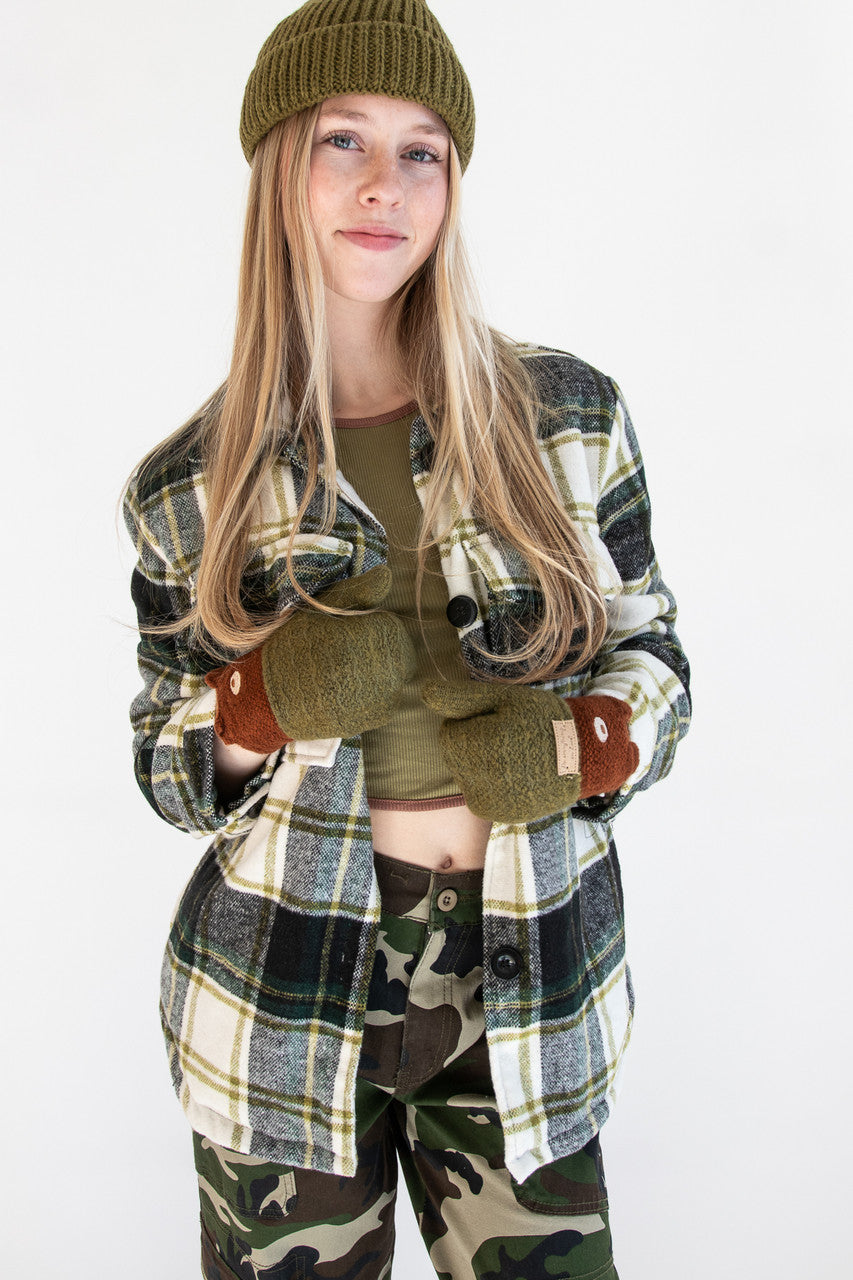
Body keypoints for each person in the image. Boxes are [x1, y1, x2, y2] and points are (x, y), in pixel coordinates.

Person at [123, 2, 691, 1276]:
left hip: (527, 984)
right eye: (344, 139)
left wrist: (582, 743)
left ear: (452, 183)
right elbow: (165, 765)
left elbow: (655, 655)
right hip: (278, 999)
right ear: (280, 164)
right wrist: (260, 702)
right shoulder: (187, 484)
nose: (385, 184)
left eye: (422, 150)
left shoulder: (566, 416)